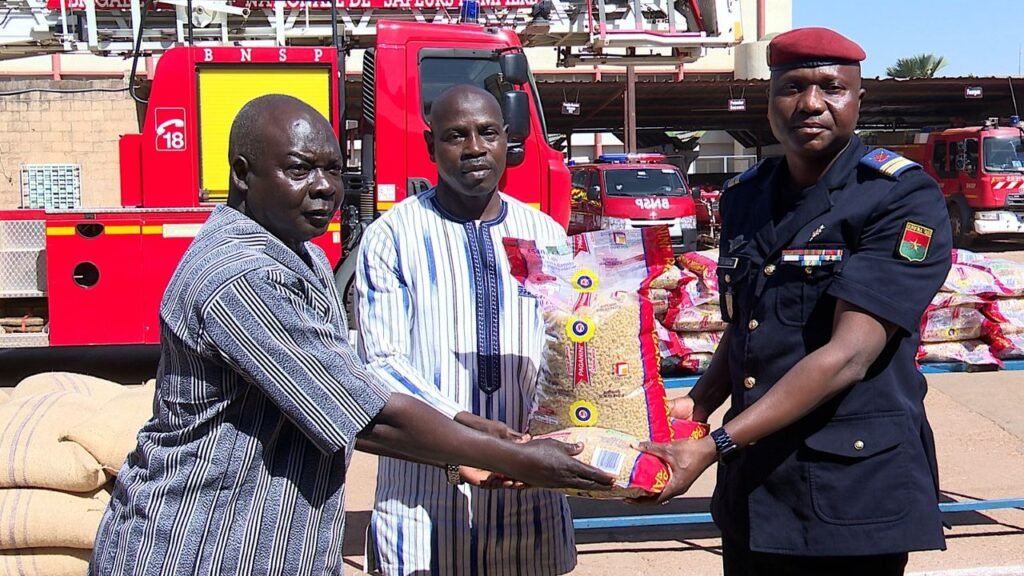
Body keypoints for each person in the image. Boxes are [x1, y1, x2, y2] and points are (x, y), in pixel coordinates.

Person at [89, 94, 612, 576]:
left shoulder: (304, 256)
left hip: (275, 539)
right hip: (203, 543)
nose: (323, 186)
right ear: (243, 175)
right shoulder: (245, 275)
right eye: (299, 169)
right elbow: (366, 411)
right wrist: (514, 455)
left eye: (333, 170)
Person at [637, 28, 952, 575]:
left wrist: (713, 445)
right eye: (793, 87)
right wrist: (700, 401)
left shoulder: (900, 195)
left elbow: (849, 354)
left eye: (832, 87)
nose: (811, 103)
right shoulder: (747, 196)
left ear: (858, 99)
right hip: (758, 488)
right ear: (769, 100)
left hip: (850, 494)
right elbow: (747, 325)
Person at [355, 85, 576, 575]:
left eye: (487, 133)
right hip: (426, 493)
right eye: (456, 135)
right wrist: (463, 435)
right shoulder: (393, 236)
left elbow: (568, 347)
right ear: (431, 147)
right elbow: (382, 365)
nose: (475, 148)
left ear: (507, 142)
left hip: (529, 490)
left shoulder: (545, 234)